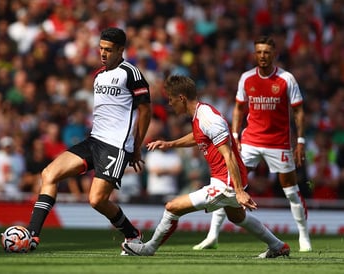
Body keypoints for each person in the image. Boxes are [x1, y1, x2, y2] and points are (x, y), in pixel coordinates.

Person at [122, 75, 290, 258]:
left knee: (172, 207)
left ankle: (149, 248)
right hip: (227, 179)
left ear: (182, 98)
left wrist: (239, 190)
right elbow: (198, 137)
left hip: (226, 183)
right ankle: (277, 245)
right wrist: (170, 144)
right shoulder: (200, 115)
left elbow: (229, 155)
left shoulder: (209, 119)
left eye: (171, 99)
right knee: (237, 217)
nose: (170, 104)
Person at [26, 27, 152, 253]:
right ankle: (32, 236)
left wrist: (136, 146)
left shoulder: (131, 73)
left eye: (109, 50)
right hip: (94, 140)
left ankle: (133, 234)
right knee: (48, 174)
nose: (103, 53)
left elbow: (145, 111)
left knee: (96, 201)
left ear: (121, 50)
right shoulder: (98, 75)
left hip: (116, 145)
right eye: (101, 48)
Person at [193, 36, 312, 252]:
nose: (262, 56)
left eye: (266, 52)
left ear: (274, 53)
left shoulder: (287, 79)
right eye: (259, 52)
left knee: (291, 191)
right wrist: (236, 135)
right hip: (250, 141)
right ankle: (213, 236)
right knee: (227, 186)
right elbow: (239, 108)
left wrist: (301, 140)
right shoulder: (246, 78)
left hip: (279, 143)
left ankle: (304, 236)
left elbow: (299, 111)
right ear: (254, 53)